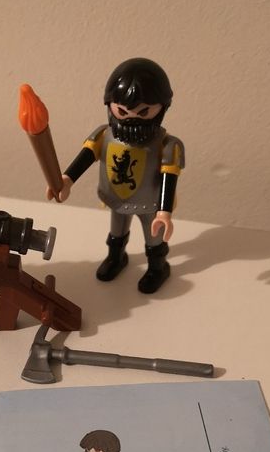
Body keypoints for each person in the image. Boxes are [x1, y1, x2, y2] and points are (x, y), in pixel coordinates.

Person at [48, 58, 184, 293]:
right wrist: (67, 179)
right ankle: (116, 257)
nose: (131, 117)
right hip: (117, 198)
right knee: (116, 232)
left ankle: (157, 267)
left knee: (154, 239)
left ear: (161, 107)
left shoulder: (167, 145)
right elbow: (85, 157)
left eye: (143, 111)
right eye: (122, 110)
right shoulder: (104, 135)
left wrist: (164, 212)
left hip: (151, 203)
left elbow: (168, 178)